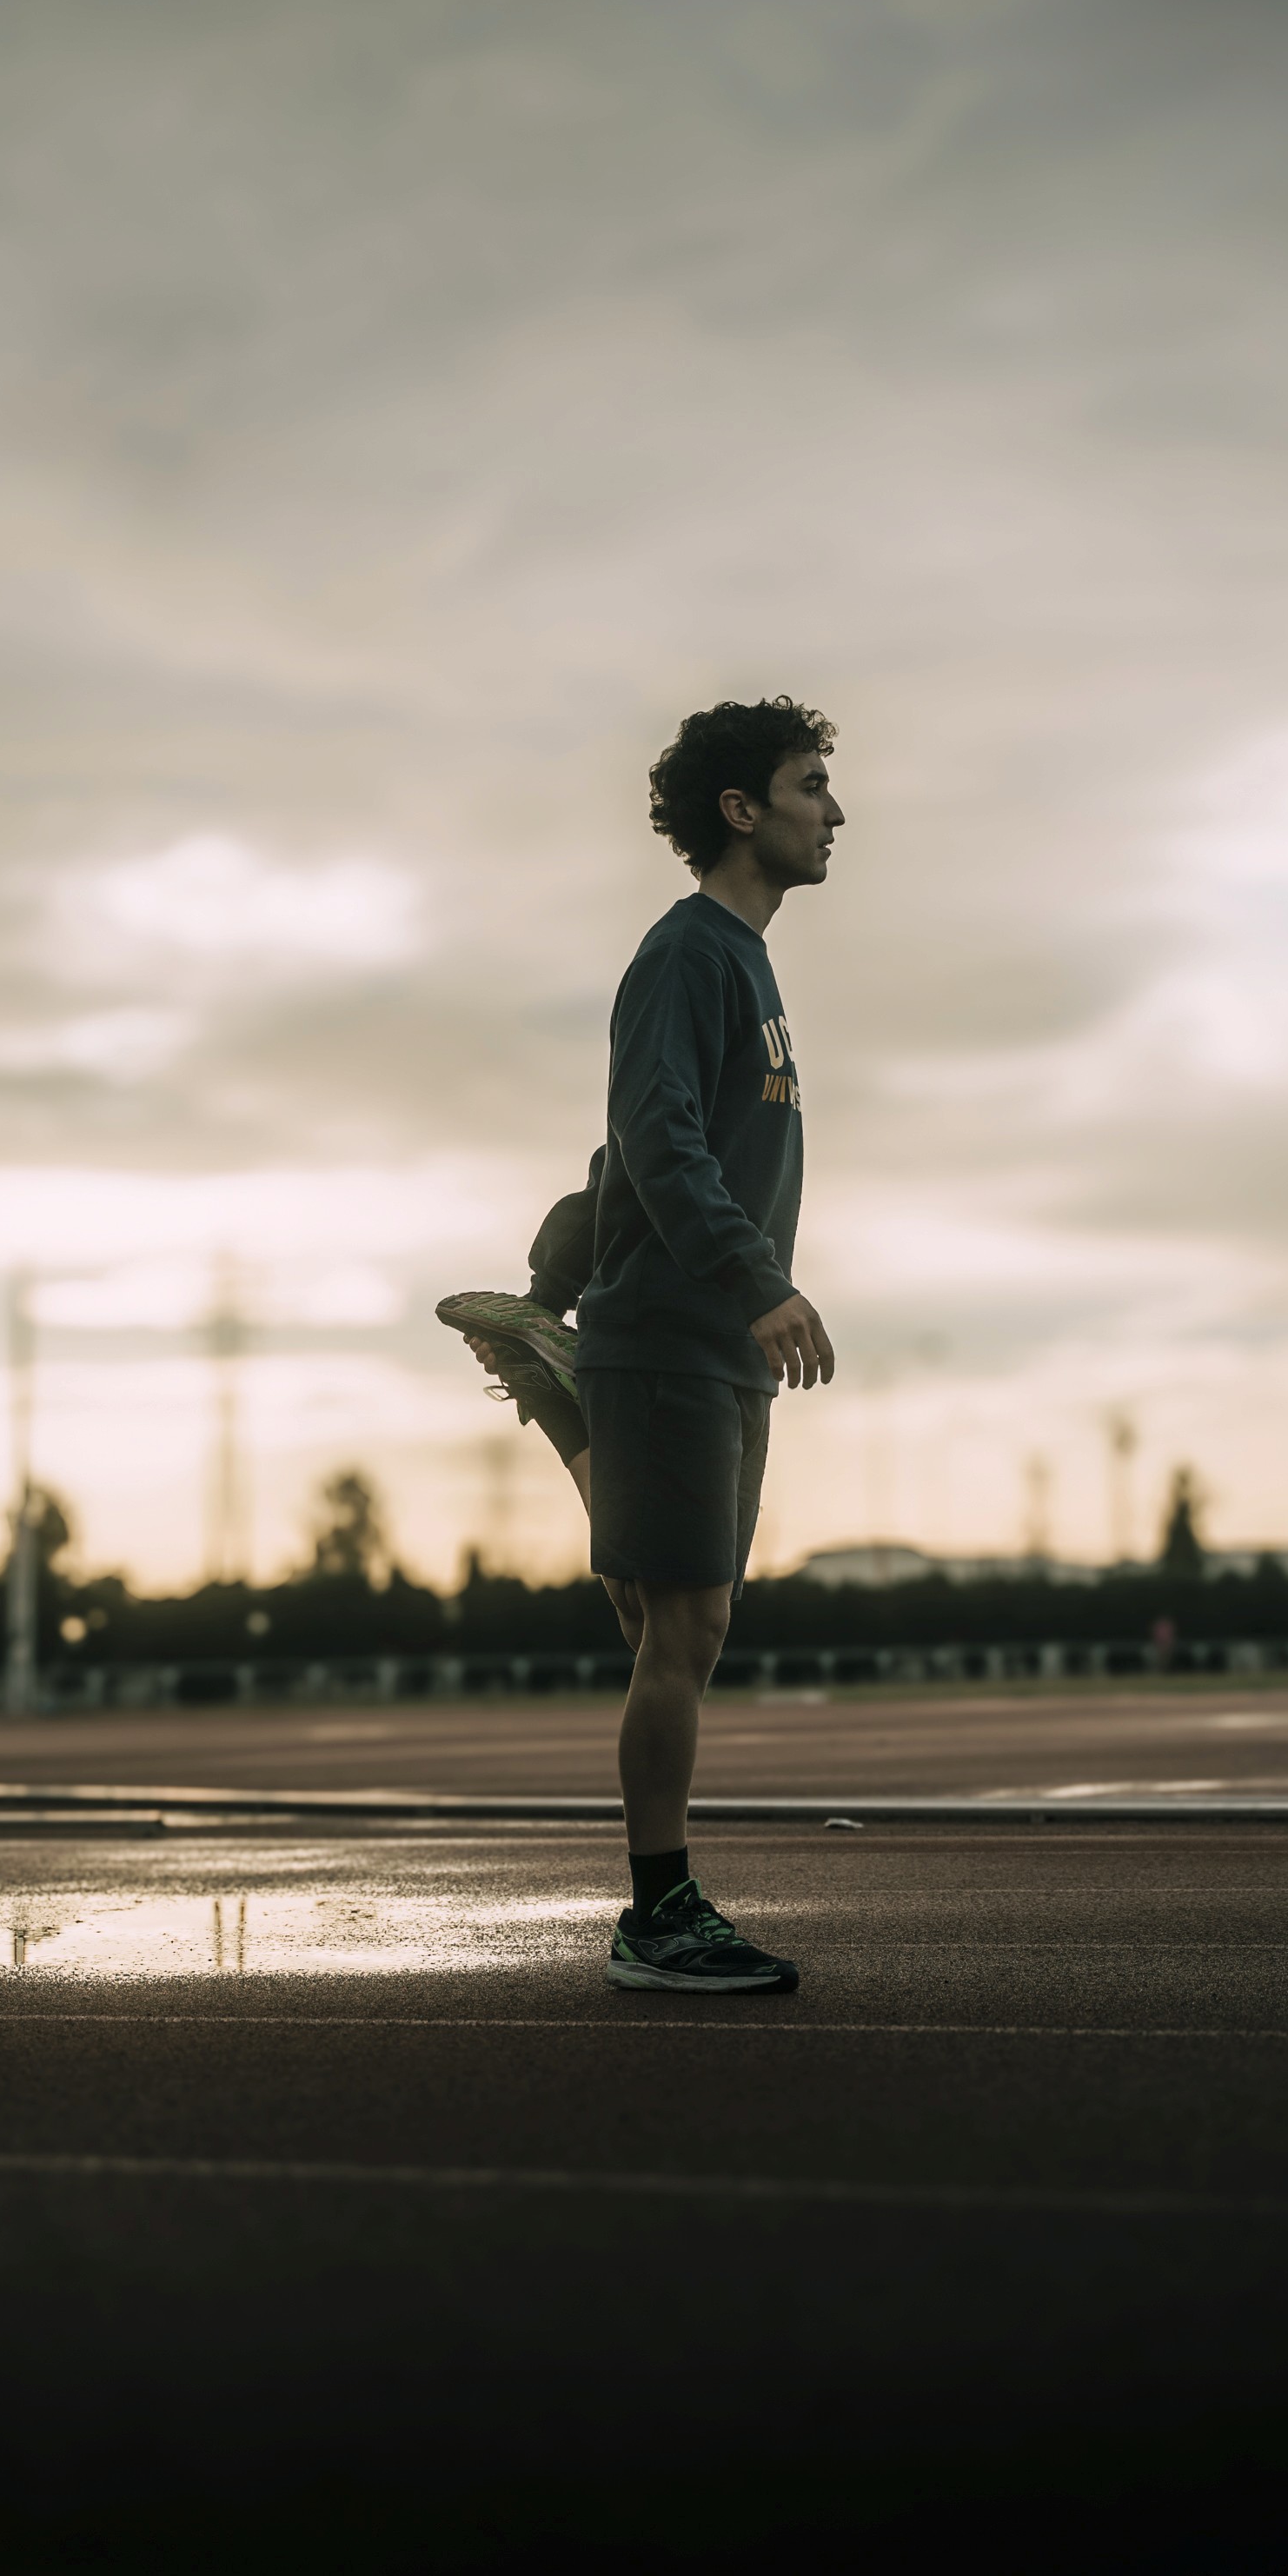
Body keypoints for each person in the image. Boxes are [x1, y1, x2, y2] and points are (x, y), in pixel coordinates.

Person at [437, 696, 840, 1994]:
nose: (833, 812)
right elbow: (653, 1134)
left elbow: (627, 1153)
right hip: (676, 1325)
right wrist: (753, 1278)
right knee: (684, 1622)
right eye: (808, 786)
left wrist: (559, 1276)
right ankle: (657, 1916)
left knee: (667, 1615)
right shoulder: (686, 955)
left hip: (693, 1337)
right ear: (742, 809)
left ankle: (564, 1381)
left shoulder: (744, 962)